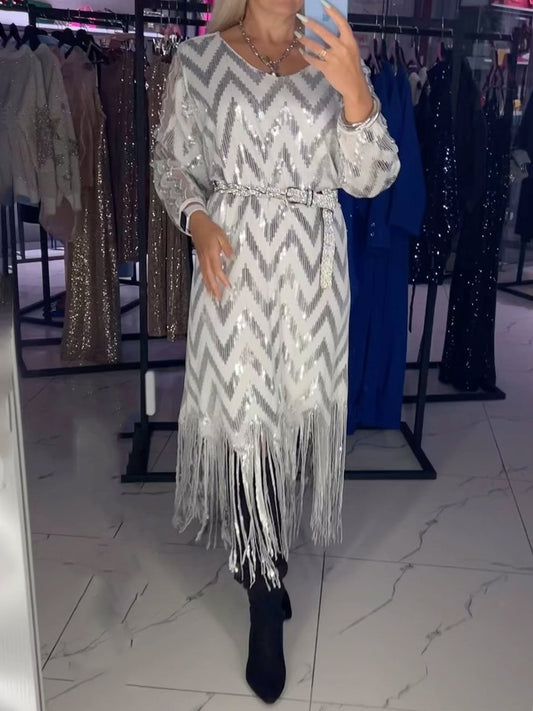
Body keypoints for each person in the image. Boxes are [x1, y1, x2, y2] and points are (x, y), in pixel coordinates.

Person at [153, 0, 399, 703]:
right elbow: (172, 163)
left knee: (291, 420)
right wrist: (197, 221)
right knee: (244, 422)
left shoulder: (330, 57)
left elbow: (373, 175)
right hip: (233, 270)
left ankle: (266, 555)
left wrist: (355, 92)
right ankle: (263, 595)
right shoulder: (198, 61)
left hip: (314, 279)